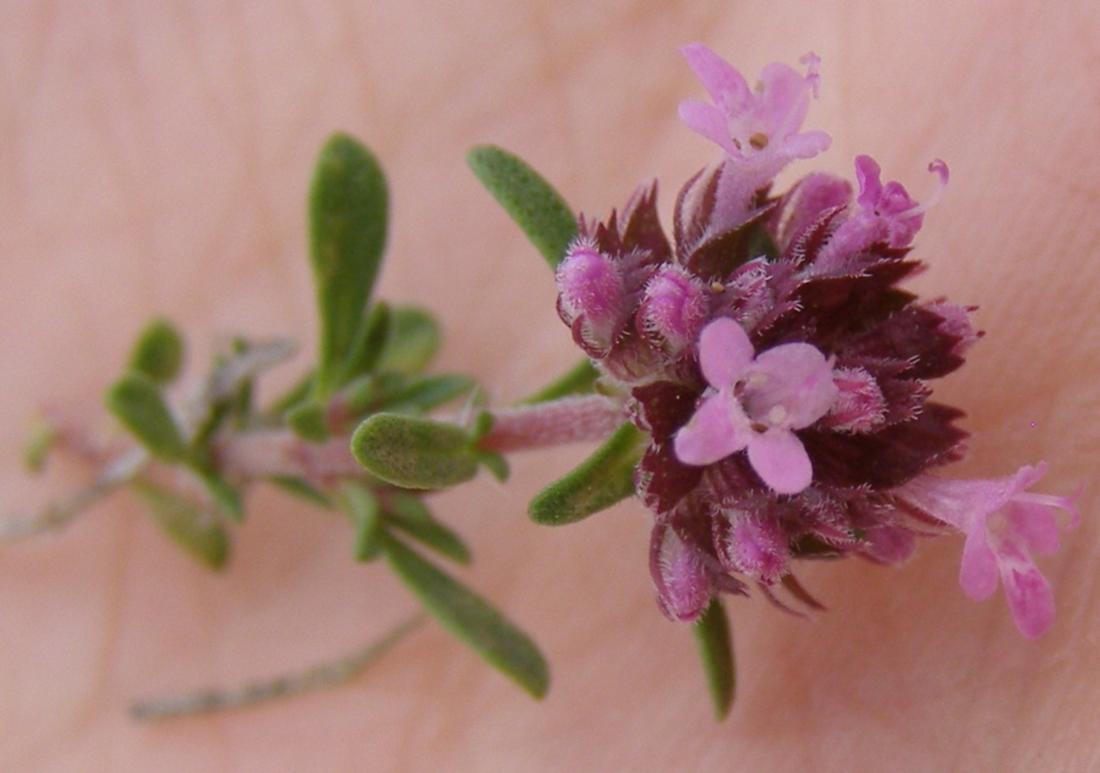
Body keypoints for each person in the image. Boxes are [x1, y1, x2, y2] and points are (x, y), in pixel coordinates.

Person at [1, 2, 1096, 769]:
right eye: (746, 139)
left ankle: (131, 453)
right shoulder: (716, 372)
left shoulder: (754, 414)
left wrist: (838, 455)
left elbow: (740, 411)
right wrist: (735, 380)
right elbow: (699, 346)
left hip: (723, 391)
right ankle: (137, 453)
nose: (763, 403)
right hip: (700, 365)